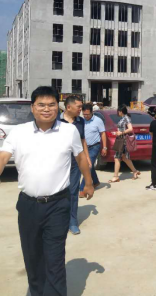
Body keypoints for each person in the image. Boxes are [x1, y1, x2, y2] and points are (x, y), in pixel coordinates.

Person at [0, 86, 94, 296]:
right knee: (32, 257)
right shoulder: (19, 132)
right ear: (32, 107)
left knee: (54, 259)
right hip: (28, 205)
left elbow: (80, 157)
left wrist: (88, 182)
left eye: (51, 104)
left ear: (58, 107)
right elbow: (3, 156)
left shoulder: (69, 131)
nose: (46, 109)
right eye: (41, 105)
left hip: (58, 205)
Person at [58, 95, 90, 235]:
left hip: (75, 162)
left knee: (73, 191)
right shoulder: (56, 121)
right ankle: (59, 220)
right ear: (68, 107)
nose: (81, 109)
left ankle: (72, 222)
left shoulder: (80, 121)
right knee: (58, 192)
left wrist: (87, 158)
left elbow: (82, 140)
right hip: (59, 162)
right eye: (79, 107)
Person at [110, 105, 140, 182]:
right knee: (125, 158)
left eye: (118, 111)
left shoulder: (126, 118)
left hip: (123, 140)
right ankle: (135, 171)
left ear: (121, 111)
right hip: (120, 139)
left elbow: (130, 129)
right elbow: (122, 129)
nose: (117, 113)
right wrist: (117, 133)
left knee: (117, 157)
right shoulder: (123, 118)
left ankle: (116, 176)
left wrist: (121, 133)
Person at [80, 103, 105, 197]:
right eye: (84, 114)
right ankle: (96, 181)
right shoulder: (81, 120)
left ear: (92, 112)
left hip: (95, 146)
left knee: (87, 166)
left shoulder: (98, 121)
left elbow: (103, 134)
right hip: (84, 147)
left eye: (87, 114)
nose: (86, 116)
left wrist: (105, 147)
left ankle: (82, 189)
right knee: (90, 165)